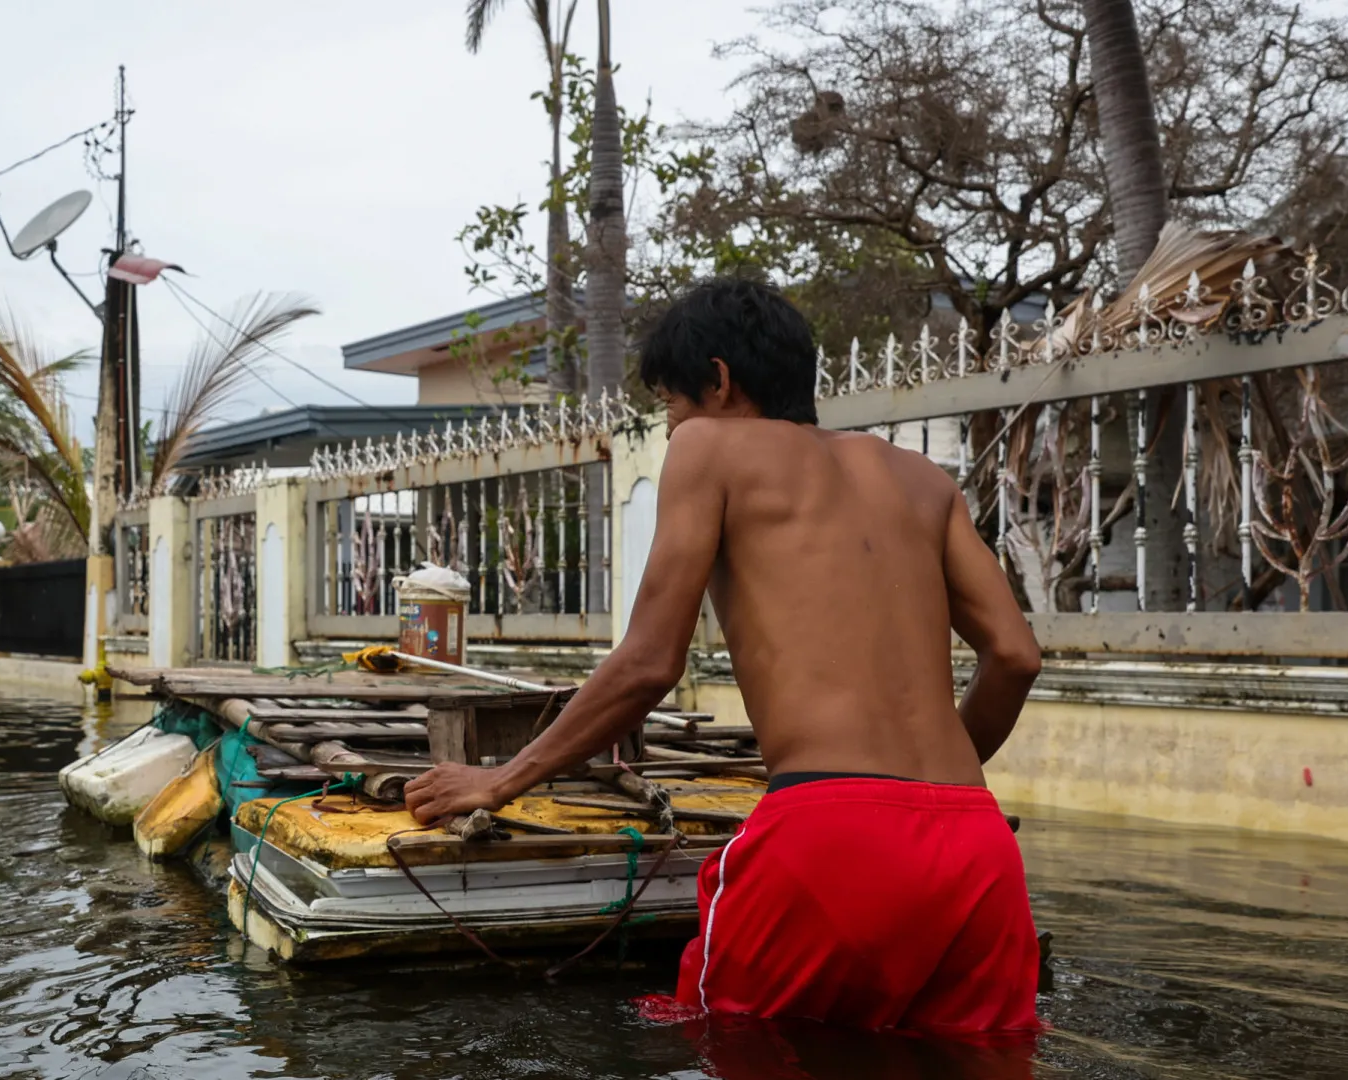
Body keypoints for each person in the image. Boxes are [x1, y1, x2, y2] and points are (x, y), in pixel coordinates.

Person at [403, 277, 1044, 1035]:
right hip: (977, 846)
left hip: (828, 841)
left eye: (670, 403)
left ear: (719, 379)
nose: (671, 425)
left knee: (726, 1044)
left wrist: (500, 780)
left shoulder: (710, 446)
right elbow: (1015, 656)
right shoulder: (924, 479)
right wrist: (918, 795)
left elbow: (650, 662)